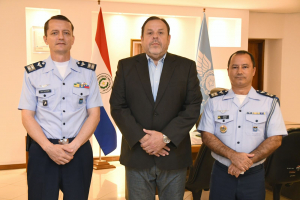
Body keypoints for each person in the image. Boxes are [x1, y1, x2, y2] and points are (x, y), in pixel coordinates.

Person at [110, 16, 202, 200]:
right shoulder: (126, 66)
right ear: (142, 39)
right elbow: (118, 106)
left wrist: (165, 137)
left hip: (173, 156)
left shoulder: (187, 67)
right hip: (137, 154)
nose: (155, 37)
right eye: (149, 33)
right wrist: (143, 139)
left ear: (168, 38)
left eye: (160, 33)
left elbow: (193, 107)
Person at [18, 15, 102, 200]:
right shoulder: (33, 74)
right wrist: (49, 148)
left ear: (73, 38)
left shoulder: (87, 73)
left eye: (66, 33)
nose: (61, 37)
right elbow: (27, 116)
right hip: (43, 149)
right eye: (54, 33)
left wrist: (74, 146)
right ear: (45, 39)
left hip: (78, 150)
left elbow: (94, 115)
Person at [198, 50, 288, 200]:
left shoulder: (269, 103)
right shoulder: (214, 101)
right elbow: (207, 136)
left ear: (253, 71)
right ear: (228, 71)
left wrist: (245, 162)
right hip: (222, 174)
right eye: (235, 67)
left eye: (245, 67)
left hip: (253, 176)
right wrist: (233, 156)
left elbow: (275, 139)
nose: (239, 71)